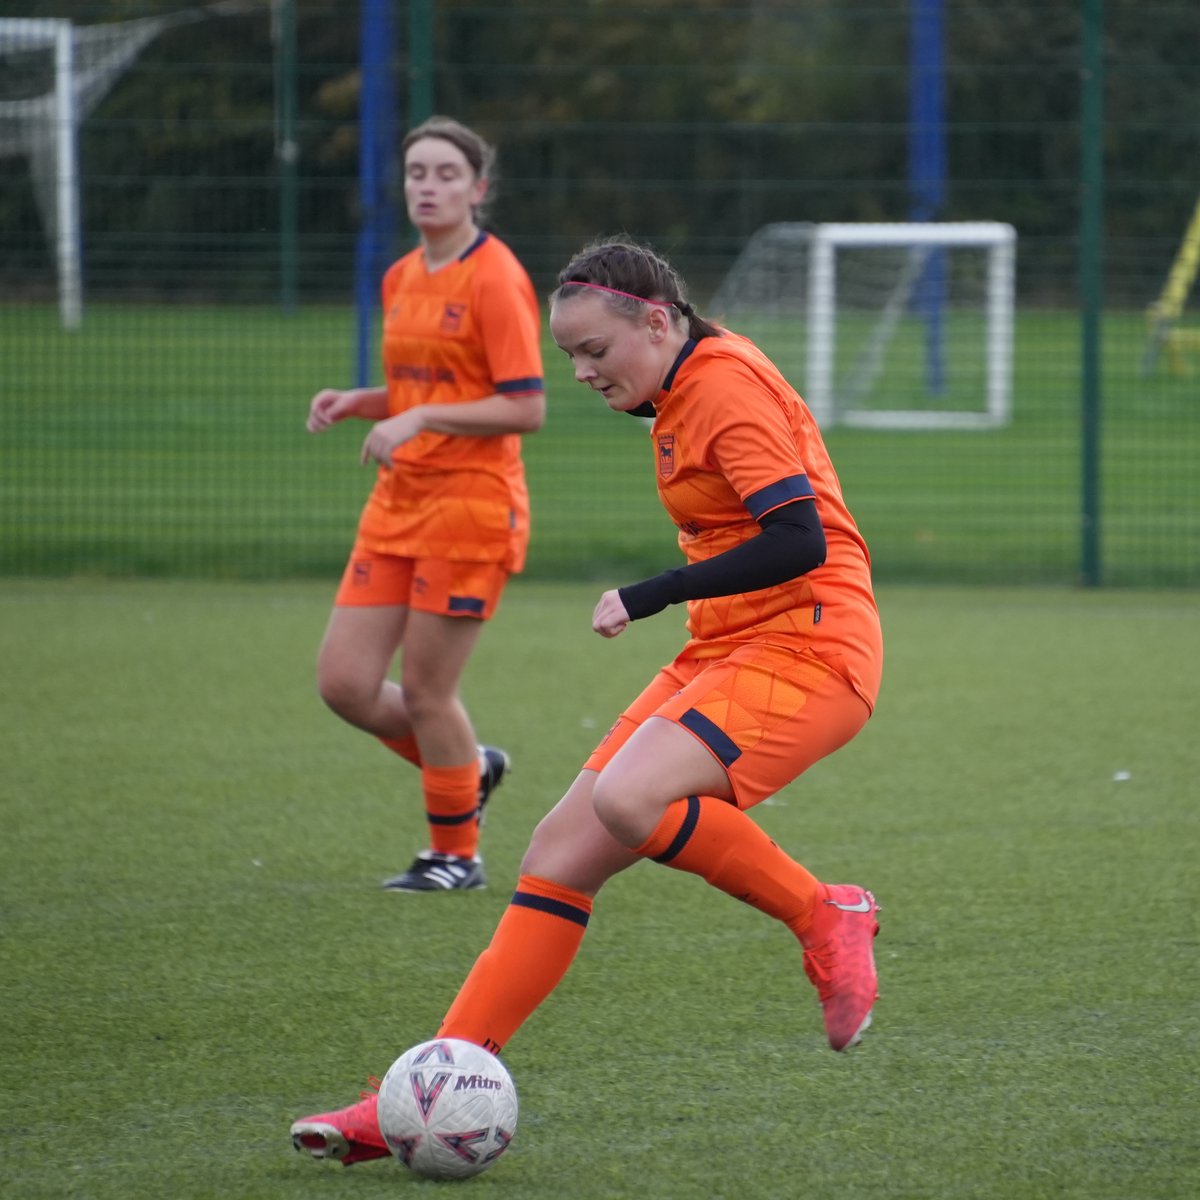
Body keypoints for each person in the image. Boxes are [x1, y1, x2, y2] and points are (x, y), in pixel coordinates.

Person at [290, 237, 884, 1165]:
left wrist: (645, 594)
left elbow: (800, 539)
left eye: (594, 351)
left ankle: (824, 912)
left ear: (658, 321)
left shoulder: (723, 384)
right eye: (570, 355)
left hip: (811, 643)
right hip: (732, 643)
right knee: (560, 853)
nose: (579, 372)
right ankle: (424, 1090)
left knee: (628, 799)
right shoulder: (680, 392)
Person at [306, 116, 545, 892]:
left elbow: (524, 406)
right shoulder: (401, 275)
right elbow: (423, 390)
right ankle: (466, 766)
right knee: (344, 682)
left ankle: (457, 855)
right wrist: (363, 402)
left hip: (470, 510)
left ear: (478, 189)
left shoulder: (496, 276)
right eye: (417, 173)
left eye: (446, 173)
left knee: (425, 692)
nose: (429, 186)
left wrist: (417, 417)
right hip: (398, 504)